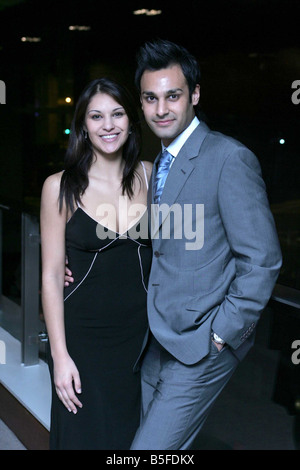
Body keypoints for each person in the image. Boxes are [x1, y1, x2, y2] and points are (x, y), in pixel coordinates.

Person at [65, 39, 282, 450]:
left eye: (173, 96)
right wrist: (63, 260)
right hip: (155, 340)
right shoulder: (156, 164)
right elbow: (143, 241)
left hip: (201, 343)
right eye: (150, 98)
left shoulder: (228, 158)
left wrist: (220, 335)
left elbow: (263, 260)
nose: (161, 109)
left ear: (195, 95)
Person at [40, 77, 152, 450]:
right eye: (96, 116)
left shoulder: (151, 176)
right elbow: (53, 275)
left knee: (132, 441)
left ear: (130, 120)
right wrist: (59, 357)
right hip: (84, 341)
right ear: (83, 126)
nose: (108, 125)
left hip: (141, 339)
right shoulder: (60, 186)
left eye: (117, 114)